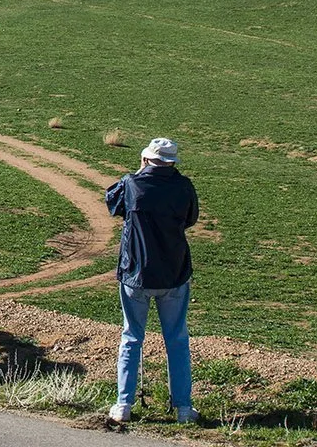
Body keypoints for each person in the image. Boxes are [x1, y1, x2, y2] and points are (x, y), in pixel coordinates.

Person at [104, 137, 200, 424]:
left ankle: (123, 404)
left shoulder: (132, 184)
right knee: (177, 339)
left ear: (146, 159)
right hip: (174, 273)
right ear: (172, 162)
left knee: (132, 337)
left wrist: (138, 172)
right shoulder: (184, 187)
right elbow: (190, 219)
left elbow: (112, 203)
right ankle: (183, 408)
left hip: (136, 274)